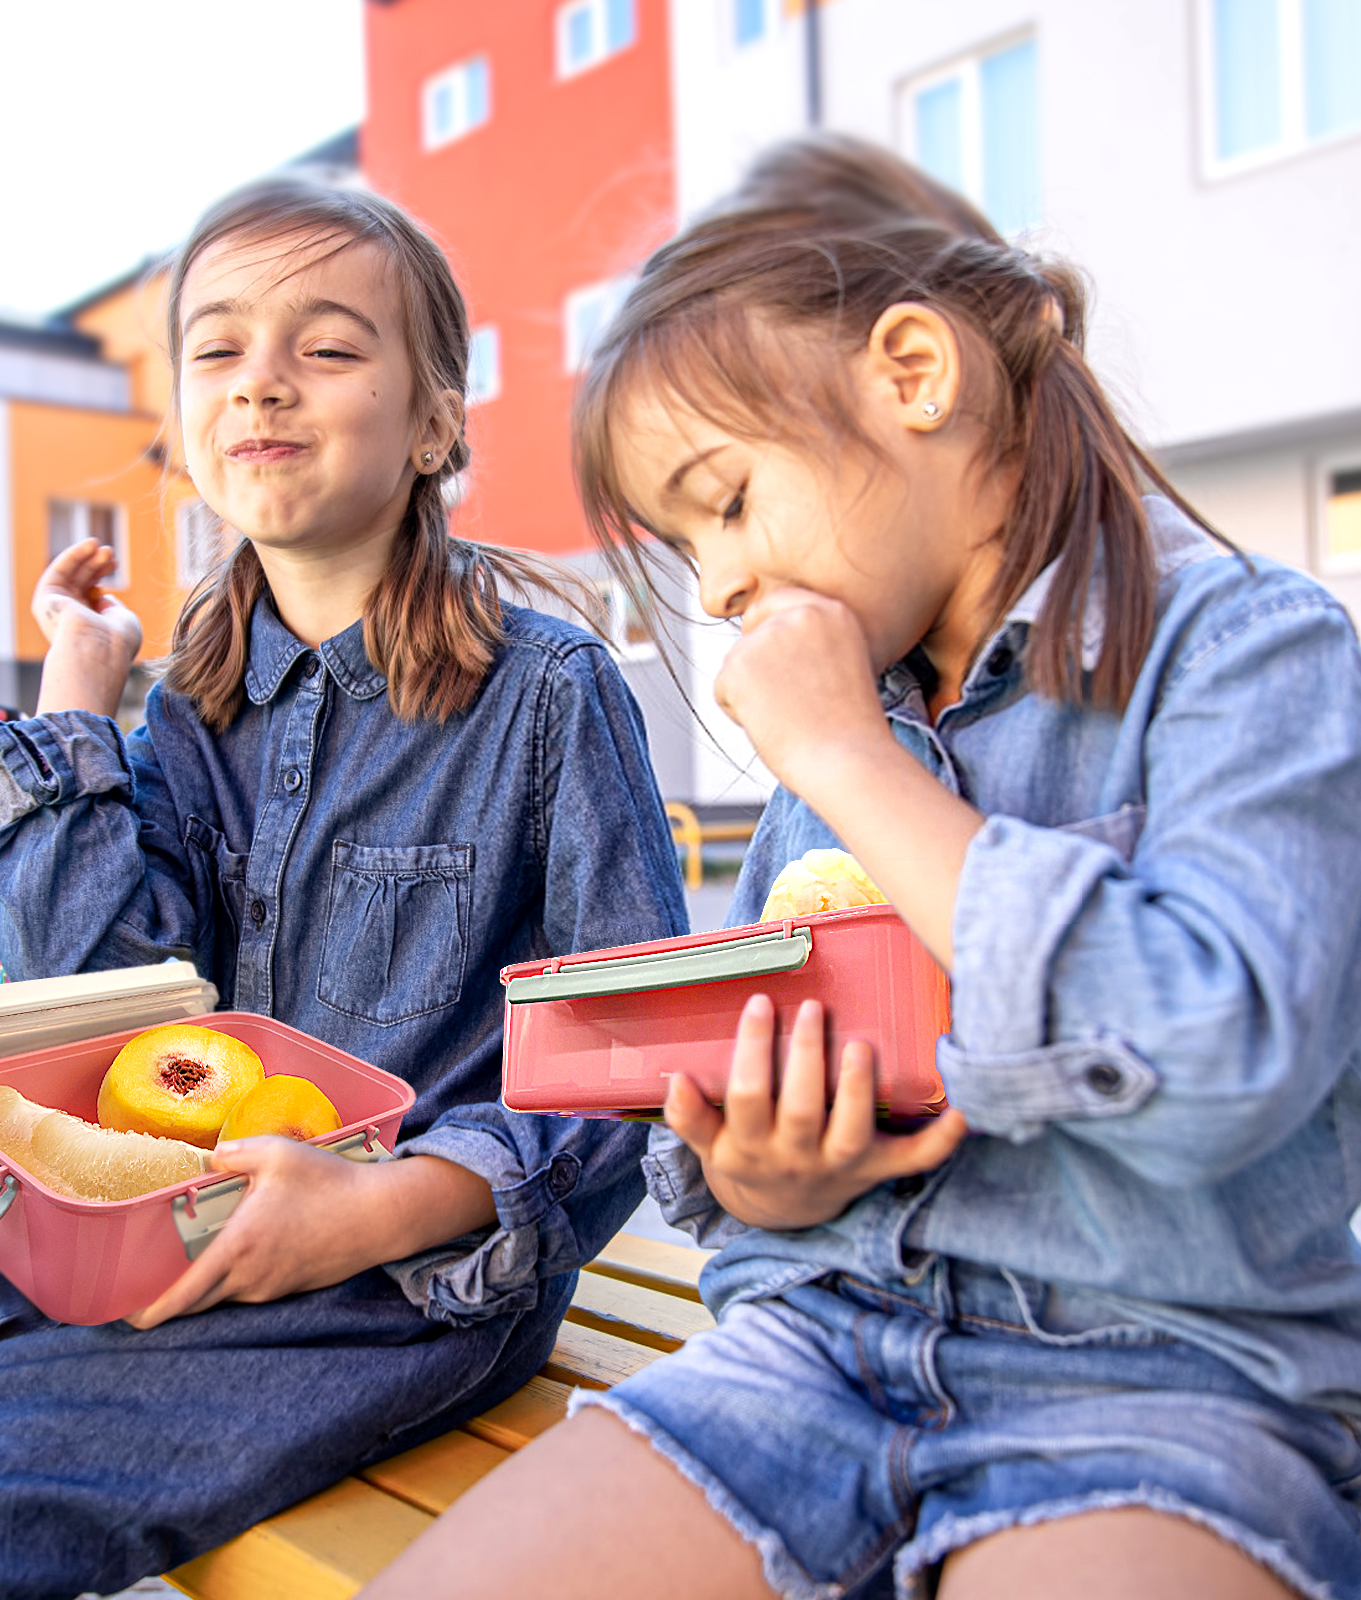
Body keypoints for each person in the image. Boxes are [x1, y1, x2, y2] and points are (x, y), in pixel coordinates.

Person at [360, 136, 1361, 1600]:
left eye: (728, 501)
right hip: (813, 1354)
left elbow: (1222, 1056)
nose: (721, 589)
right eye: (685, 548)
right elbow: (730, 1145)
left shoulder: (1248, 650)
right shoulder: (852, 720)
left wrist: (851, 767)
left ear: (912, 374)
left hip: (1173, 1386)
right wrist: (756, 1172)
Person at [0, 177, 687, 1599]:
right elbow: (102, 1020)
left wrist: (376, 1210)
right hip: (142, 1231)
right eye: (218, 348)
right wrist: (80, 695)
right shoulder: (186, 718)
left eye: (326, 347)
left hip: (402, 1285)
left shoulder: (548, 696)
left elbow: (632, 1061)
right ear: (185, 432)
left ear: (435, 421)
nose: (263, 380)